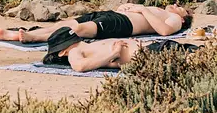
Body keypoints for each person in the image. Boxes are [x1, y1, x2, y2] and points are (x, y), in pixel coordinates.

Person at [0, 3, 193, 43]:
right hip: (111, 15)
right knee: (67, 22)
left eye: (181, 7)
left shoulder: (176, 20)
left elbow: (165, 31)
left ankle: (33, 37)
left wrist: (141, 9)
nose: (176, 4)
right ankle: (18, 34)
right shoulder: (158, 10)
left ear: (184, 18)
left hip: (122, 24)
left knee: (78, 29)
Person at [43, 26, 200, 72]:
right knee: (197, 59)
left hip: (153, 48)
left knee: (202, 54)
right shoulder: (74, 52)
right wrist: (114, 53)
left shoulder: (87, 45)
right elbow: (80, 66)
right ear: (62, 51)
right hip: (150, 55)